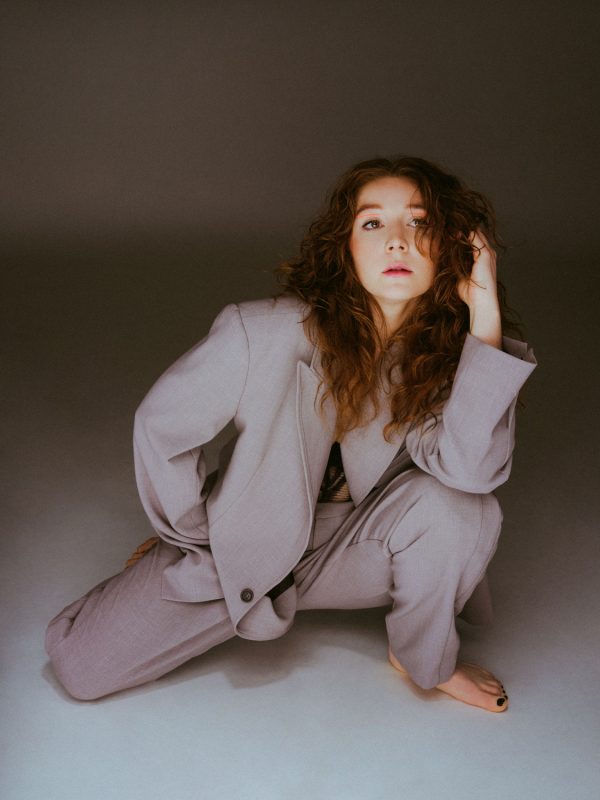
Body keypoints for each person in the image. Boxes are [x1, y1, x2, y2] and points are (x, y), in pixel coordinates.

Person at [45, 155, 537, 712]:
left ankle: (421, 656)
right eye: (373, 222)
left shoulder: (444, 358)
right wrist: (193, 532)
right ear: (345, 246)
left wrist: (484, 314)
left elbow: (471, 471)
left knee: (465, 507)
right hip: (246, 544)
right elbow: (161, 428)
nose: (397, 241)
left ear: (451, 247)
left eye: (419, 222)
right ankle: (169, 561)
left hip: (360, 547)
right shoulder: (262, 331)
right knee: (79, 668)